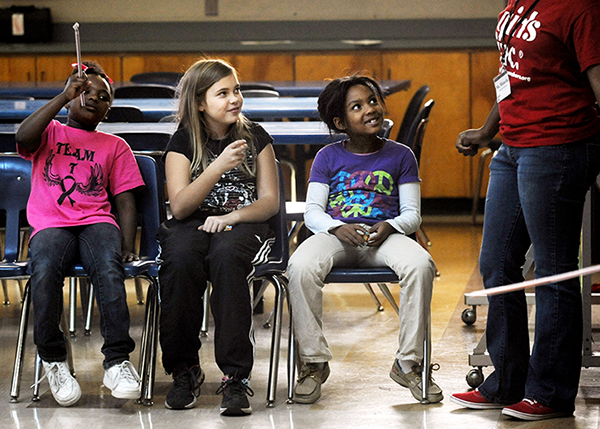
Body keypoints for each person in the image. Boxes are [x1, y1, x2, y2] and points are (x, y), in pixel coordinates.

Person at [449, 0, 600, 421]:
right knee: (497, 265)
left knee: (553, 270)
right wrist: (487, 130)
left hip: (558, 146)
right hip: (513, 146)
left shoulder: (580, 7)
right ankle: (507, 380)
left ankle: (549, 392)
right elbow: (513, 74)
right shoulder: (516, 3)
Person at [286, 75, 442, 405]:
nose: (370, 109)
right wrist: (334, 227)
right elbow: (312, 211)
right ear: (341, 122)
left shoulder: (401, 156)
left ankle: (408, 362)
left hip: (383, 238)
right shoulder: (328, 157)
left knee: (421, 264)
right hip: (338, 236)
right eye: (357, 107)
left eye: (372, 101)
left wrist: (391, 225)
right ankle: (313, 362)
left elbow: (413, 214)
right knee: (299, 265)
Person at [15, 61, 144, 407]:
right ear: (72, 94)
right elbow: (22, 137)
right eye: (86, 92)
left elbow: (125, 198)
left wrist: (127, 243)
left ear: (108, 110)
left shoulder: (115, 146)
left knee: (108, 267)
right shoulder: (49, 132)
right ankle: (53, 360)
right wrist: (61, 97)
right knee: (43, 271)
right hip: (51, 224)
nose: (93, 99)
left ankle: (117, 361)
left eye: (103, 98)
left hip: (96, 222)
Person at [156, 58, 279, 415]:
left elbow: (270, 201)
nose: (234, 99)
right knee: (179, 260)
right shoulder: (181, 141)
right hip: (193, 223)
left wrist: (231, 217)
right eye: (222, 93)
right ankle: (184, 369)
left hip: (243, 224)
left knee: (226, 258)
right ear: (199, 102)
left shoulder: (256, 137)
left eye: (236, 90)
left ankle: (236, 377)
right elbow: (179, 207)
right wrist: (217, 167)